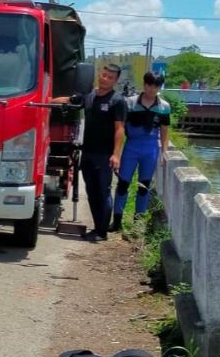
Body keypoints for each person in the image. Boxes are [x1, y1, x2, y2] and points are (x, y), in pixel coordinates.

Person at [54, 63, 126, 241]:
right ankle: (96, 228)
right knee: (92, 192)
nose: (105, 79)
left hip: (104, 154)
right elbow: (70, 101)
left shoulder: (117, 101)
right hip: (88, 152)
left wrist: (116, 154)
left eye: (110, 77)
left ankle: (102, 231)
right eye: (104, 74)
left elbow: (120, 129)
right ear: (100, 74)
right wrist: (48, 99)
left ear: (115, 81)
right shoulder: (90, 96)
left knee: (103, 191)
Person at [110, 72, 171, 232]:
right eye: (149, 85)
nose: (152, 89)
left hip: (150, 149)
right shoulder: (129, 103)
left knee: (144, 186)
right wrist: (117, 152)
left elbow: (165, 131)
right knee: (123, 184)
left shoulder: (164, 106)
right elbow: (120, 128)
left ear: (159, 87)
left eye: (156, 86)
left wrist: (164, 152)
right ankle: (116, 221)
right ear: (144, 85)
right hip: (131, 147)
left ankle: (138, 223)